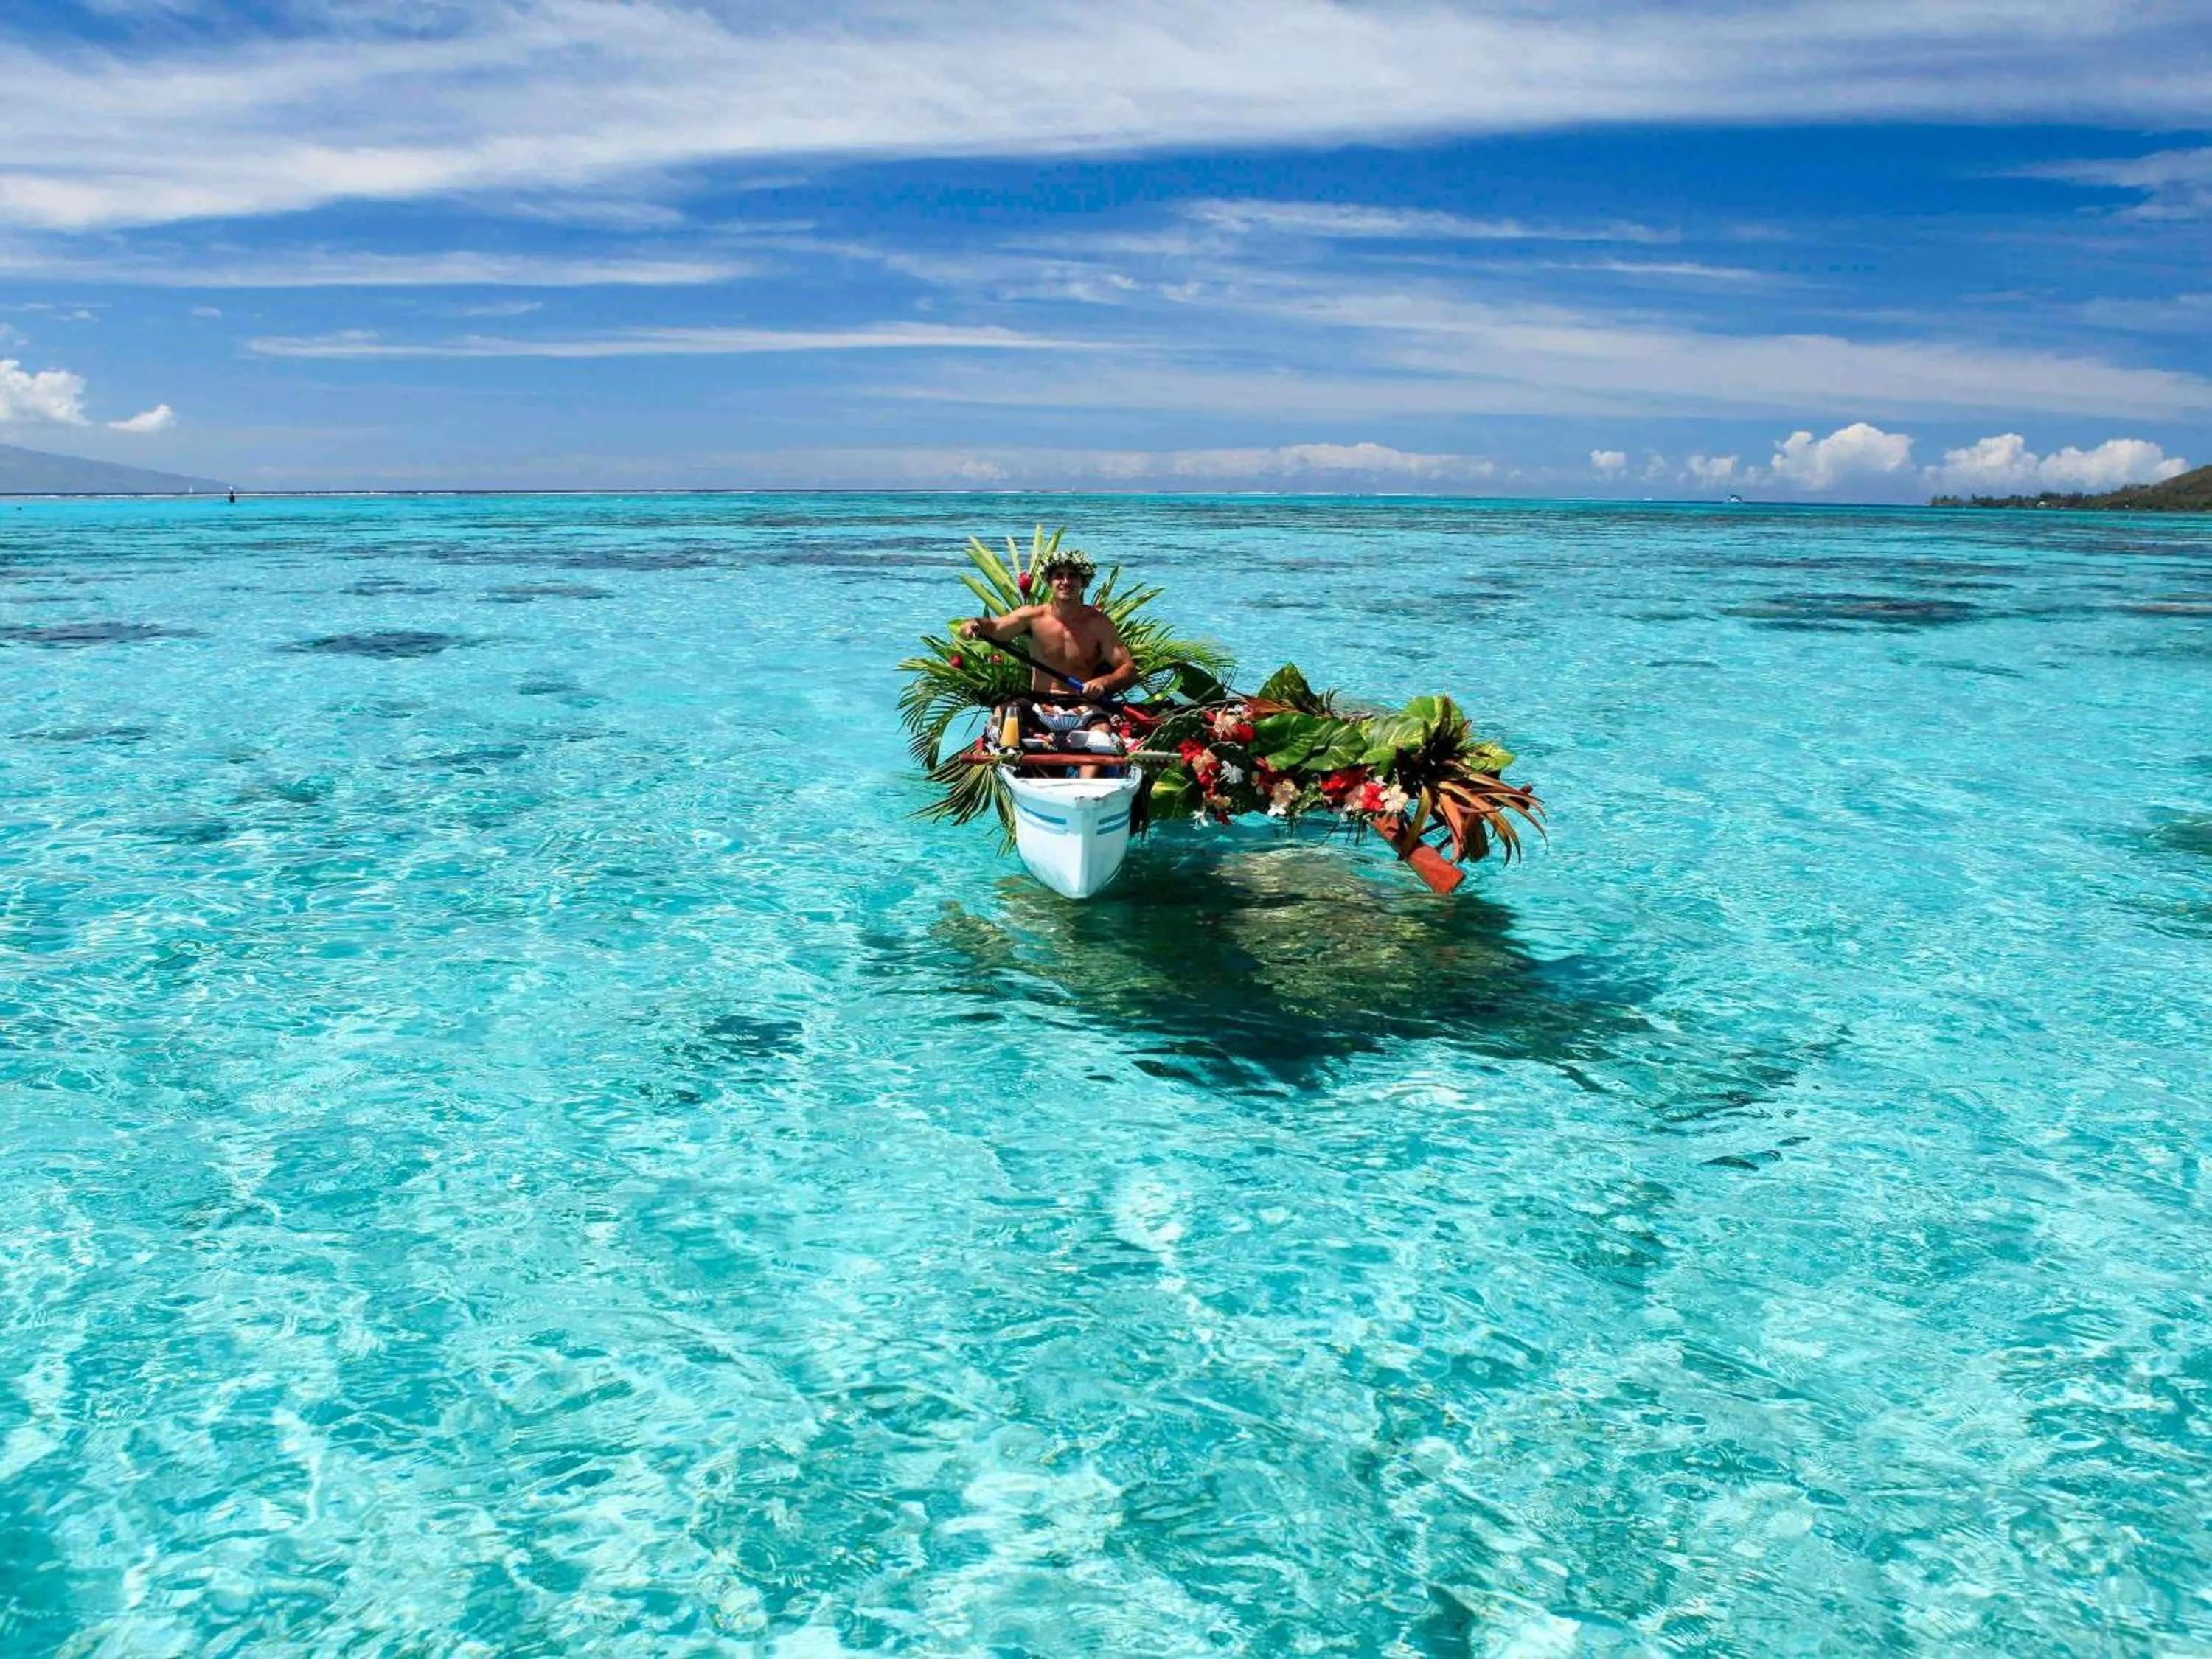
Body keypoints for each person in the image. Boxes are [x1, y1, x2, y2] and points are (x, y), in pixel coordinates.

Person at [959, 549, 1137, 762]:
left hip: (1081, 704)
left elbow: (1128, 669)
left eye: (1072, 576)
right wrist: (973, 625)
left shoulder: (1099, 624)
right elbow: (995, 628)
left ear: (1083, 582)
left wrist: (1102, 682)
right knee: (1004, 718)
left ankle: (1087, 790)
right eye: (1059, 576)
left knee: (1101, 734)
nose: (1065, 581)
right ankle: (1025, 774)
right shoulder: (1032, 617)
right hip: (1038, 704)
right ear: (1049, 581)